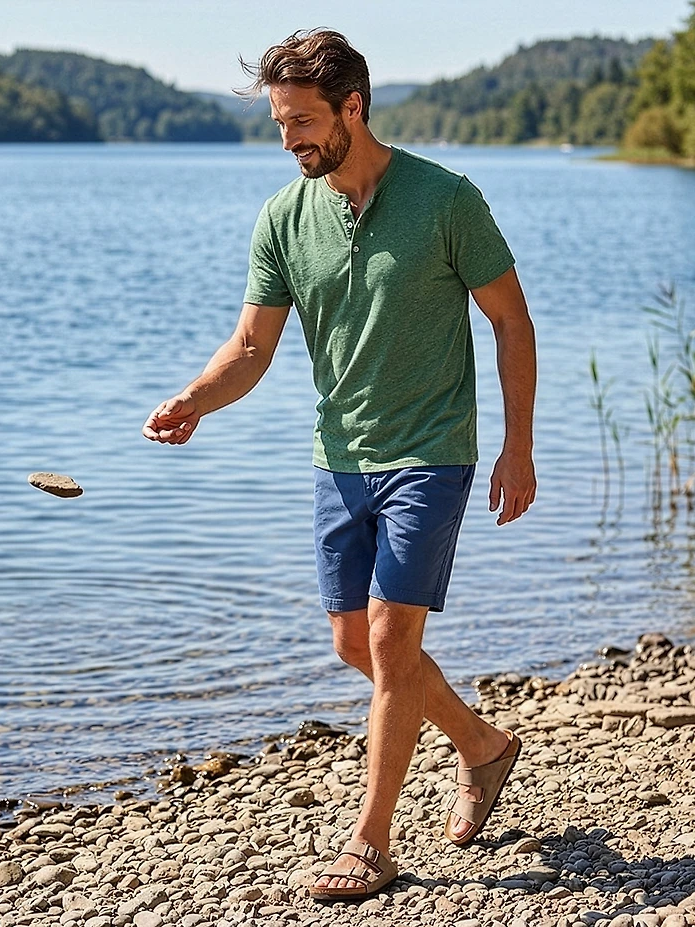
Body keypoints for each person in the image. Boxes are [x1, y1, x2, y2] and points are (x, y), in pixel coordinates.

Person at [142, 29, 537, 903]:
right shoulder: (286, 217)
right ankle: (482, 743)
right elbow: (251, 346)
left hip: (433, 449)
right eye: (282, 125)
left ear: (353, 106)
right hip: (340, 455)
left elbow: (511, 319)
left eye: (303, 122)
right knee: (354, 642)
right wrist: (193, 400)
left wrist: (519, 444)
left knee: (394, 636)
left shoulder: (445, 199)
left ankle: (371, 842)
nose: (290, 141)